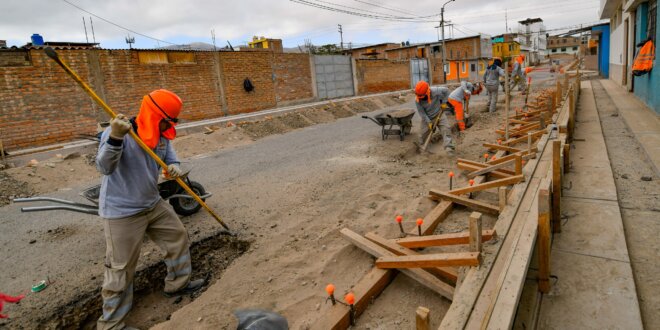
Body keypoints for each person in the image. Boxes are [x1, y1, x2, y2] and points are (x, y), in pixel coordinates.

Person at [95, 89, 205, 330]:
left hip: (152, 203)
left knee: (177, 236)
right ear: (156, 115)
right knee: (120, 268)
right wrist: (114, 137)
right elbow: (104, 167)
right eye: (169, 120)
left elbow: (170, 157)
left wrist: (173, 167)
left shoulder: (161, 135)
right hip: (122, 211)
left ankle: (177, 284)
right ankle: (111, 324)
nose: (170, 125)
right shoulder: (119, 133)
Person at [413, 81, 454, 155]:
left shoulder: (436, 91)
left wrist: (444, 102)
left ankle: (449, 148)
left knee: (446, 129)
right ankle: (421, 148)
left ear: (428, 92)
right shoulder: (417, 100)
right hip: (427, 117)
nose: (422, 98)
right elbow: (422, 113)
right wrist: (429, 122)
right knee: (422, 135)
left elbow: (447, 91)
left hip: (439, 114)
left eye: (423, 96)